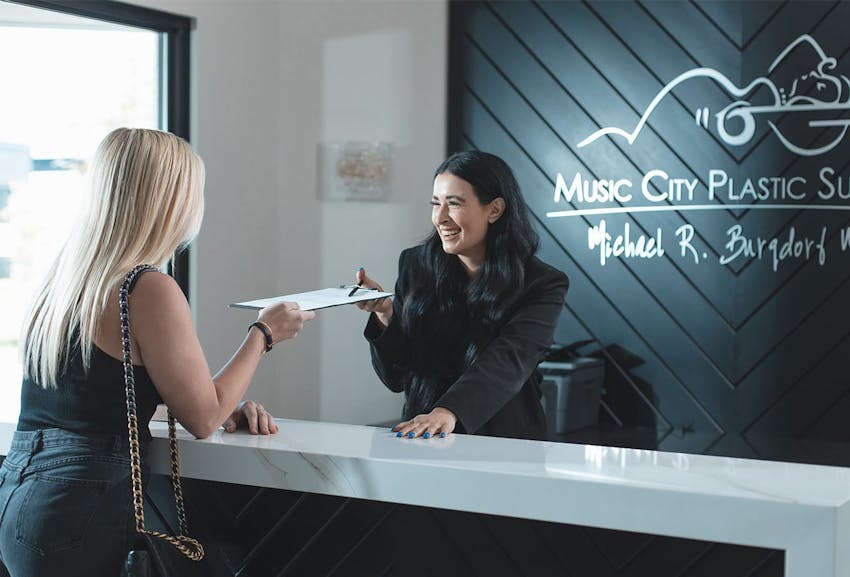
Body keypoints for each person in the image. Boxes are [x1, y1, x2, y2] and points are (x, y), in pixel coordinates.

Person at [0, 127, 315, 577]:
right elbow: (203, 419)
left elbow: (98, 393)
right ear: (171, 202)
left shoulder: (63, 282)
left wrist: (221, 399)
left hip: (20, 497)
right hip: (80, 509)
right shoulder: (147, 288)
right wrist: (263, 333)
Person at [356, 150, 568, 441]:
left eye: (454, 204)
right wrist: (384, 314)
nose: (440, 218)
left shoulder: (542, 283)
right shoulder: (415, 264)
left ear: (494, 210)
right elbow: (396, 378)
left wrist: (447, 412)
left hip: (506, 442)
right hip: (423, 435)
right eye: (435, 204)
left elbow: (507, 362)